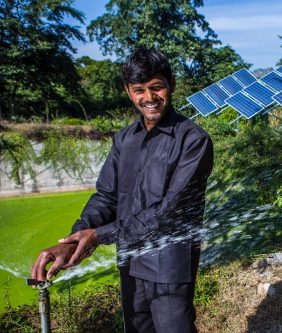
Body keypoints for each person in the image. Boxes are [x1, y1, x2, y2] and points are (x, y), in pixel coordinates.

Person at [31, 48, 214, 333]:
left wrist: (99, 235)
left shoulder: (193, 140)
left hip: (168, 267)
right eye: (139, 90)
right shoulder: (124, 139)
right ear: (129, 92)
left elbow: (168, 212)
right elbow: (106, 196)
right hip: (130, 262)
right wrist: (72, 240)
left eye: (156, 87)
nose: (149, 98)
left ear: (171, 85)